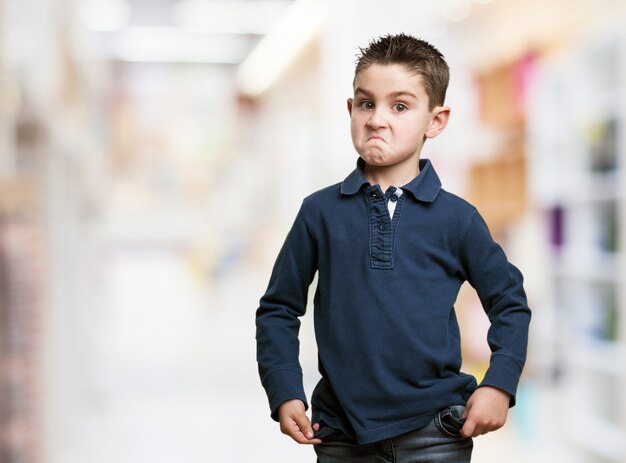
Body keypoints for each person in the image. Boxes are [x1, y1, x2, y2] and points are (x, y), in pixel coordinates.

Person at [255, 33, 531, 462]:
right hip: (342, 434)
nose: (377, 119)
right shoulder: (319, 213)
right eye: (366, 103)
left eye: (399, 106)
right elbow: (278, 308)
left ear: (435, 121)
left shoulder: (458, 219)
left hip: (436, 431)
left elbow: (509, 303)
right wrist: (284, 389)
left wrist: (499, 382)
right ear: (350, 110)